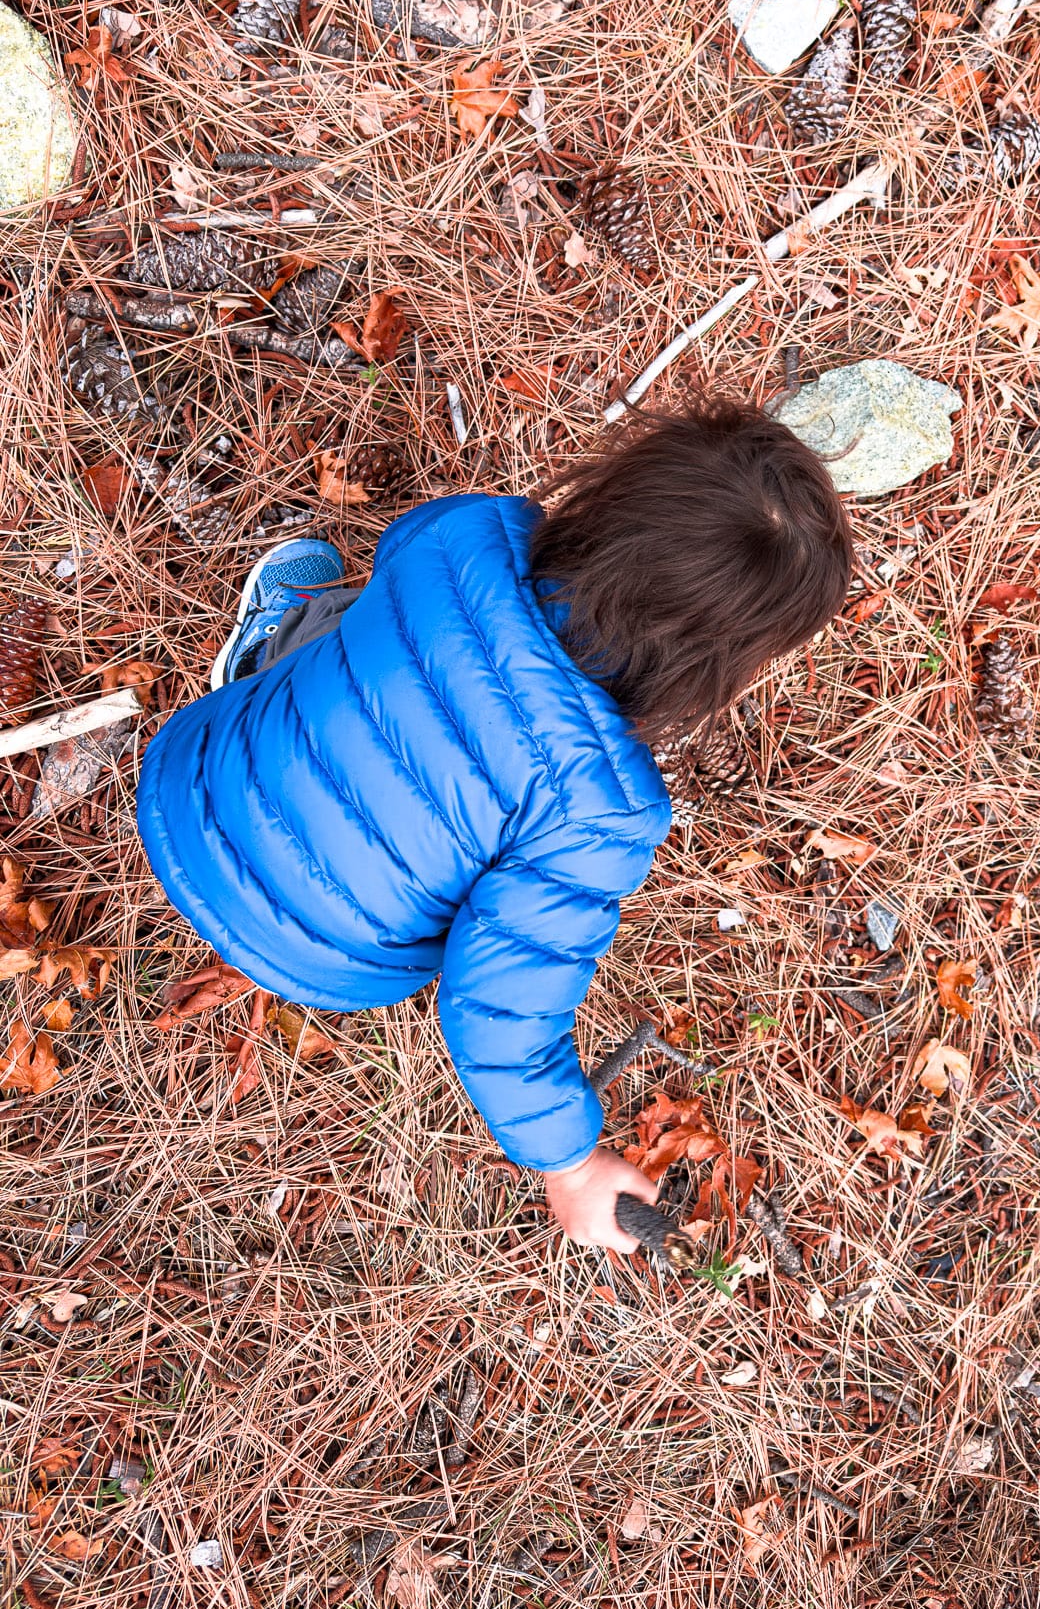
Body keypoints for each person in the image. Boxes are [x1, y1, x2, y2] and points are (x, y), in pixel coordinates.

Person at [137, 398, 852, 1252]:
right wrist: (574, 1166)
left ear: (610, 494)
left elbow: (421, 571)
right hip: (323, 957)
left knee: (362, 628)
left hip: (191, 780)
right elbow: (502, 1006)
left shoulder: (464, 536)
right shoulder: (601, 812)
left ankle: (270, 640)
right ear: (716, 666)